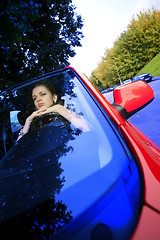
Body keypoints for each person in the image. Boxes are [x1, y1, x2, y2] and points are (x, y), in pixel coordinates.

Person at [17, 82, 90, 140]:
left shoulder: (67, 112)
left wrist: (58, 108)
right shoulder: (35, 124)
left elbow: (88, 129)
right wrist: (28, 121)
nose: (38, 99)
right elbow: (19, 150)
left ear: (54, 97)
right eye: (35, 98)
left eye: (43, 94)